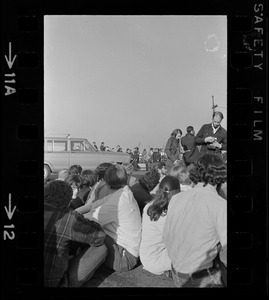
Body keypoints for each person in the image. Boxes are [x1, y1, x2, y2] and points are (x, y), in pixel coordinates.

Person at [163, 154, 227, 288]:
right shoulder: (220, 205)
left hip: (176, 272)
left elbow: (166, 236)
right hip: (200, 277)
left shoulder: (176, 198)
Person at [44, 180, 107, 287]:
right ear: (69, 202)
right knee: (102, 248)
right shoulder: (69, 217)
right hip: (55, 283)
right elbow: (100, 236)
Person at [83, 164, 142, 272]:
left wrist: (68, 215)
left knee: (88, 230)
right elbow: (95, 204)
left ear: (107, 183)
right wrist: (75, 211)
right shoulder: (124, 193)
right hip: (126, 252)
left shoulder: (118, 202)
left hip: (124, 258)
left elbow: (86, 220)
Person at [140, 176, 181, 276]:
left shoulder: (150, 206)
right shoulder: (165, 215)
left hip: (149, 254)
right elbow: (176, 239)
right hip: (155, 258)